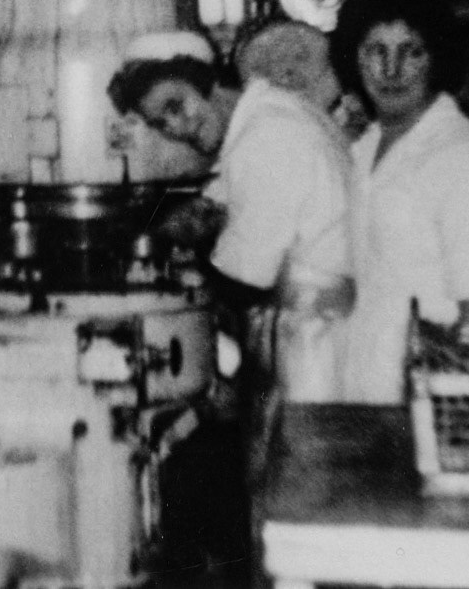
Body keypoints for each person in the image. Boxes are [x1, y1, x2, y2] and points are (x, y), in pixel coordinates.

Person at [108, 26, 355, 407]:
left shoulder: (266, 136)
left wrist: (169, 278)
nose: (177, 128)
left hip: (322, 356)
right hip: (319, 339)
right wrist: (160, 229)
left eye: (176, 106)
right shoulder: (269, 114)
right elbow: (211, 205)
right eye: (161, 123)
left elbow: (243, 281)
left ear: (207, 83)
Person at [330, 0, 469, 404]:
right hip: (364, 394)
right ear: (355, 58)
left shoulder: (464, 156)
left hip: (428, 403)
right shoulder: (365, 147)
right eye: (376, 51)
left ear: (436, 60)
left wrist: (457, 413)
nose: (391, 70)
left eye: (411, 52)